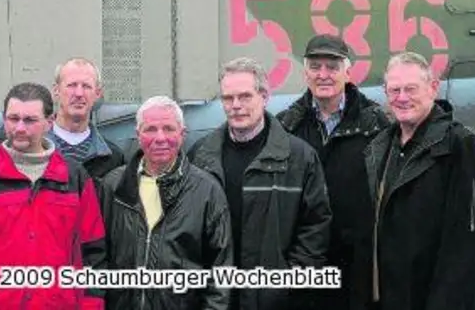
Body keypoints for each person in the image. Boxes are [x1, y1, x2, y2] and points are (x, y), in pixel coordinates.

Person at [0, 82, 107, 309]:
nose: (20, 128)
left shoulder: (75, 180)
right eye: (14, 119)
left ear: (49, 123)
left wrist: (91, 305)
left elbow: (92, 253)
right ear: (4, 120)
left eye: (30, 120)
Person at [188, 58, 332, 310]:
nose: (236, 106)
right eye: (228, 98)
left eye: (245, 96)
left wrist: (286, 284)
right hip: (215, 299)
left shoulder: (299, 157)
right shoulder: (201, 156)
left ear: (264, 97)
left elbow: (316, 227)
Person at [364, 53, 475, 310]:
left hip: (434, 298)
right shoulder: (380, 148)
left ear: (433, 87)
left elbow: (466, 243)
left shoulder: (461, 146)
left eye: (411, 89)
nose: (402, 98)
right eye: (395, 90)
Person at [276, 35, 389, 310]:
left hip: (358, 268)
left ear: (348, 73)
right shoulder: (285, 127)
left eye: (332, 67)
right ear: (305, 73)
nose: (323, 75)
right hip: (304, 266)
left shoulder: (377, 126)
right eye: (315, 67)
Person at [101, 96, 232, 310]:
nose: (160, 138)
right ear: (138, 135)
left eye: (169, 129)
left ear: (182, 134)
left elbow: (221, 271)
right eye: (151, 129)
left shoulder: (207, 190)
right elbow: (97, 258)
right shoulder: (113, 185)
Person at [51, 57, 127, 188]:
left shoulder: (113, 158)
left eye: (86, 86)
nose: (79, 93)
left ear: (97, 93)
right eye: (72, 85)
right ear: (56, 91)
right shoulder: (36, 151)